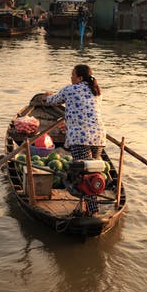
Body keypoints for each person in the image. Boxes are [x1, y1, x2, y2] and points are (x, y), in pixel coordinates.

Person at [43, 64, 105, 216]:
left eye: (72, 74)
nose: (70, 77)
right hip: (99, 136)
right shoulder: (96, 91)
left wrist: (46, 96)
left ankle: (91, 211)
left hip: (80, 137)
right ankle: (90, 207)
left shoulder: (69, 90)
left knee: (84, 175)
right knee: (93, 173)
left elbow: (51, 101)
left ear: (80, 78)